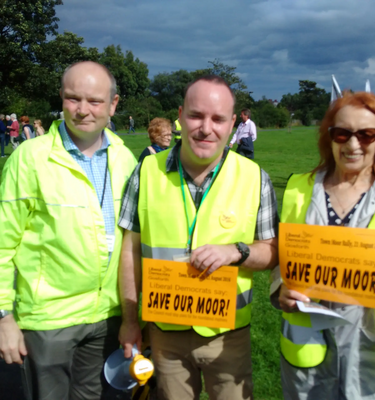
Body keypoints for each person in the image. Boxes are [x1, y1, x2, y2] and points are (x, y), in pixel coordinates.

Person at [118, 75, 279, 400]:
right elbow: (129, 252)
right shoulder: (146, 171)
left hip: (227, 335)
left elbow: (273, 251)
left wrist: (237, 251)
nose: (207, 128)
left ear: (232, 123)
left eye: (218, 118)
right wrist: (129, 320)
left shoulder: (254, 177)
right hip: (163, 333)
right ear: (180, 116)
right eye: (196, 115)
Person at [0, 61, 137, 400]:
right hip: (49, 320)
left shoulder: (126, 159)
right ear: (61, 99)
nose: (83, 110)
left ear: (113, 104)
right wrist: (3, 317)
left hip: (108, 316)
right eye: (73, 99)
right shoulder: (29, 158)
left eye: (94, 101)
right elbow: (2, 243)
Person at [271, 92, 375, 400]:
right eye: (342, 133)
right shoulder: (298, 190)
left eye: (366, 135)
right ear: (329, 137)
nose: (353, 145)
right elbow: (282, 260)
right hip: (308, 356)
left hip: (374, 358)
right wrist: (281, 290)